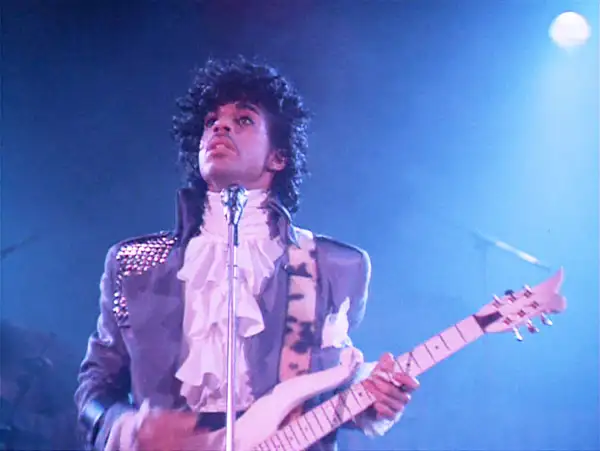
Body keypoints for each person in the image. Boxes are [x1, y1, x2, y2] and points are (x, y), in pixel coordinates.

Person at [74, 56, 419, 451]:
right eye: (211, 121)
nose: (220, 127)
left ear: (278, 156)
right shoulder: (134, 264)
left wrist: (369, 398)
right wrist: (127, 428)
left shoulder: (332, 265)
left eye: (243, 120)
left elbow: (331, 380)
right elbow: (94, 389)